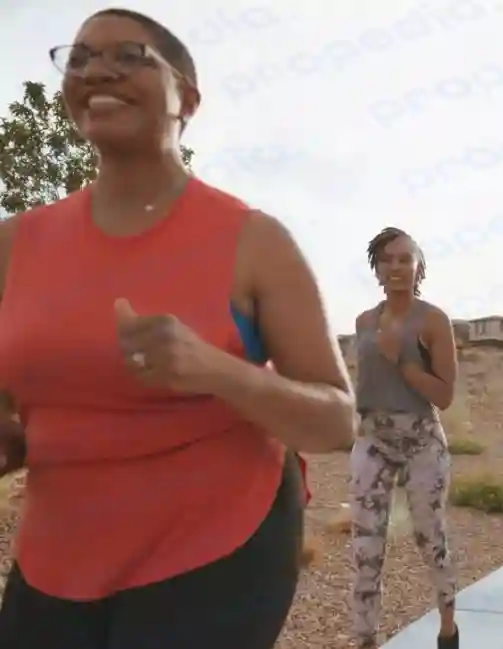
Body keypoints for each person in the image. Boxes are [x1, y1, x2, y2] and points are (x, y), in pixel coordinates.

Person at [0, 8, 357, 648]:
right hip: (58, 553)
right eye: (78, 59)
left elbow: (335, 421)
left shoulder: (255, 241)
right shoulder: (13, 245)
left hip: (214, 543)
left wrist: (214, 370)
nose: (96, 70)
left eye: (129, 55)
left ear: (186, 98)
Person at [350, 227, 460, 649]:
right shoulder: (363, 322)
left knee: (430, 538)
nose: (395, 267)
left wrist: (403, 363)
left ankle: (448, 628)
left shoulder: (432, 321)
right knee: (365, 548)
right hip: (373, 441)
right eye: (386, 260)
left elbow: (445, 396)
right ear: (376, 269)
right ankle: (365, 638)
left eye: (404, 259)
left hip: (421, 442)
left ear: (418, 268)